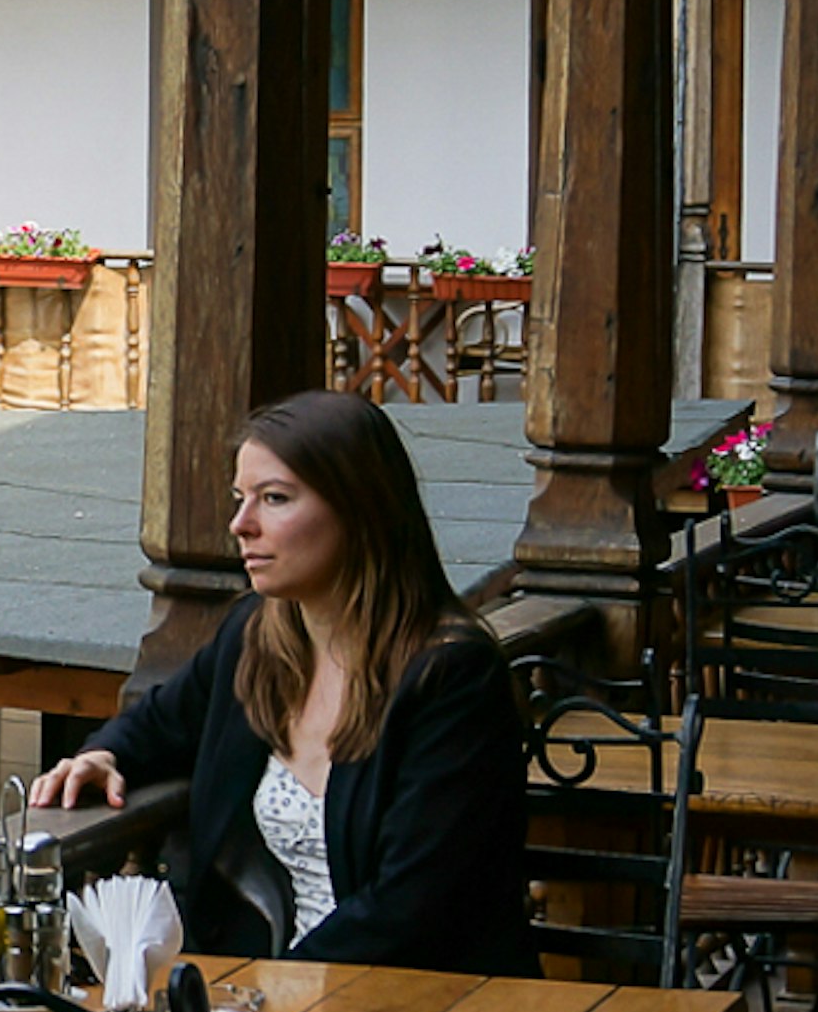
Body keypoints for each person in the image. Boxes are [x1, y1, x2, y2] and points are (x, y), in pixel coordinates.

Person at [36, 390, 536, 974]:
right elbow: (159, 722)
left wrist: (263, 995)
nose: (241, 525)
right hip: (267, 997)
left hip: (418, 1007)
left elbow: (412, 906)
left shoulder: (450, 677)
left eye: (274, 499)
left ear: (360, 509)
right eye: (240, 499)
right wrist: (104, 754)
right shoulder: (256, 637)